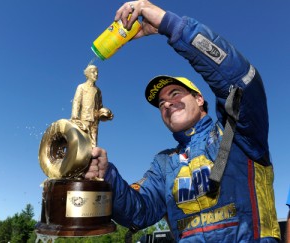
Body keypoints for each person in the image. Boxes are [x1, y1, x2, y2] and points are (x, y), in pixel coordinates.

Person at [84, 1, 281, 242]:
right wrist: (106, 176)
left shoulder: (238, 134)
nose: (166, 103)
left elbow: (242, 81)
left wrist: (170, 25)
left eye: (175, 94)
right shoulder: (164, 164)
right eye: (160, 103)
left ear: (199, 99)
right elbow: (138, 212)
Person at [71, 64, 113, 148]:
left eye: (97, 72)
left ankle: (92, 159)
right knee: (83, 142)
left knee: (94, 145)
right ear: (87, 74)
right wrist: (74, 117)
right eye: (93, 72)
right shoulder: (81, 87)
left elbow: (100, 106)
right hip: (84, 120)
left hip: (95, 121)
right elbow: (76, 102)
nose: (96, 74)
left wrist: (106, 114)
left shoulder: (98, 91)